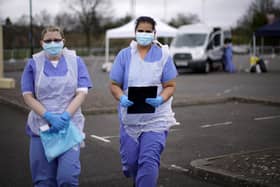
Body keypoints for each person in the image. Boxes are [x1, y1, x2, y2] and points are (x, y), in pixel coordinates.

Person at [109, 16, 178, 187]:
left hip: (156, 118)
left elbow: (170, 85)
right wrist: (121, 97)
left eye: (148, 31)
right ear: (135, 32)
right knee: (132, 163)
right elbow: (114, 85)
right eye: (141, 30)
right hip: (130, 119)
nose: (144, 34)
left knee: (148, 160)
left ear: (154, 33)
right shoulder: (124, 55)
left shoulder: (163, 55)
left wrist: (160, 99)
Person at [21, 26, 92, 187]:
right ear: (41, 43)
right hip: (41, 128)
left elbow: (82, 92)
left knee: (67, 178)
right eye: (48, 41)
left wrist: (65, 116)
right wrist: (48, 116)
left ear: (63, 41)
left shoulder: (75, 61)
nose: (53, 43)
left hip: (69, 126)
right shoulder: (33, 64)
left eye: (56, 40)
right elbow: (28, 96)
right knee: (43, 180)